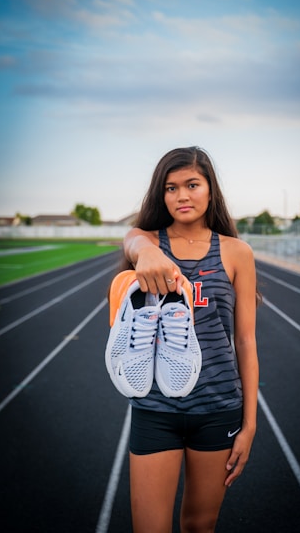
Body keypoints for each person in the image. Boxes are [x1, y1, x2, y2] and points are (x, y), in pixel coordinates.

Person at [119, 146, 259, 532]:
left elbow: (245, 341)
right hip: (156, 407)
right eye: (170, 187)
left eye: (192, 184)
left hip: (217, 409)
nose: (181, 195)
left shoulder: (236, 253)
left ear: (210, 189)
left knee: (200, 525)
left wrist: (249, 424)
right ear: (160, 195)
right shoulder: (146, 241)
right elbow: (132, 239)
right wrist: (146, 252)